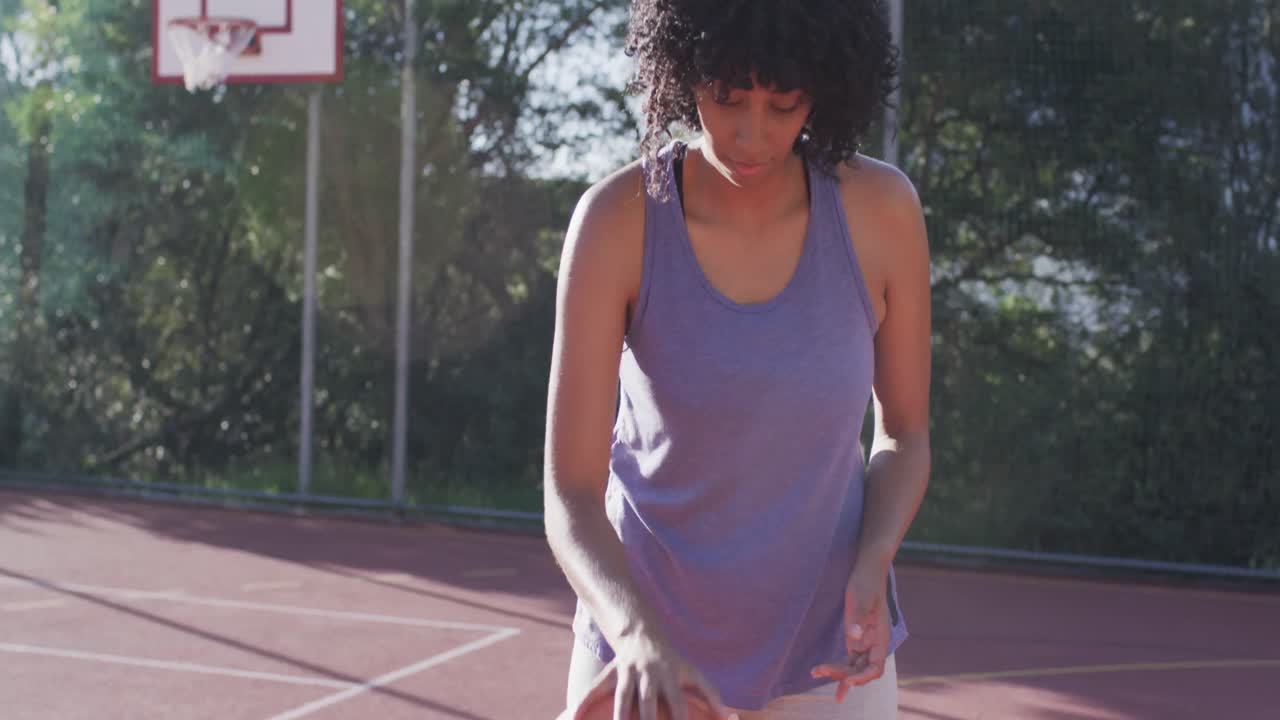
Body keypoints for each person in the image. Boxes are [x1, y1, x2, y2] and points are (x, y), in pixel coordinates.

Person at [543, 1, 931, 718]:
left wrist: (874, 559)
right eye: (727, 98)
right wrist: (635, 638)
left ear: (824, 85)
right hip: (645, 655)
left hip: (829, 656)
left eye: (785, 105)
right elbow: (569, 493)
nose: (752, 134)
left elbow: (904, 434)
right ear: (684, 68)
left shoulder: (882, 211)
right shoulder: (616, 220)